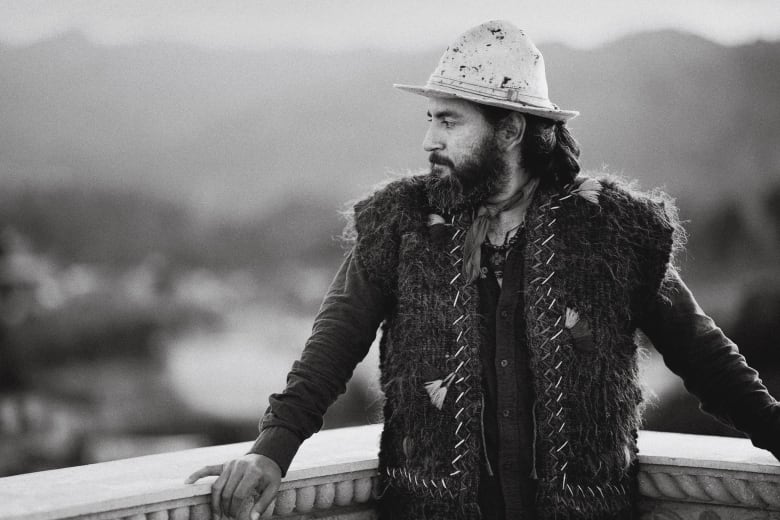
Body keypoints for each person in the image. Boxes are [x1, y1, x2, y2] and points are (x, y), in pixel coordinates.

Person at [186, 20, 780, 520]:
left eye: (449, 121)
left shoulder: (614, 231)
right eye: (430, 120)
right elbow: (332, 345)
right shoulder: (400, 223)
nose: (428, 140)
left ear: (511, 128)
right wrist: (271, 449)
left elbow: (705, 358)